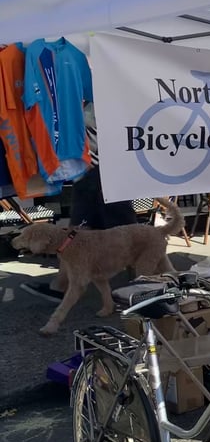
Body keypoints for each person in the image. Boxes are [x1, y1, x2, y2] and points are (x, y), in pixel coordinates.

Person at [20, 102, 137, 303]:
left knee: (127, 232)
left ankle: (147, 282)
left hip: (104, 174)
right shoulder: (81, 99)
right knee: (77, 234)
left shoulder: (102, 95)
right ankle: (61, 285)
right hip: (86, 175)